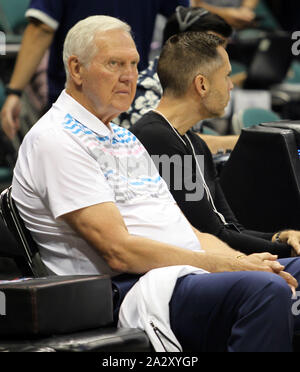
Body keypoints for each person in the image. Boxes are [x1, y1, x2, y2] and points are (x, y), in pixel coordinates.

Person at [11, 15, 300, 352]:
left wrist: (247, 261)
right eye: (115, 63)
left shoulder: (124, 138)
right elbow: (118, 251)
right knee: (266, 290)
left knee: (276, 276)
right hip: (138, 288)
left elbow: (193, 235)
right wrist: (233, 265)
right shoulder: (55, 138)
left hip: (186, 272)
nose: (129, 76)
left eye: (134, 64)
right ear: (76, 69)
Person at [132, 28, 300, 260]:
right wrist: (287, 252)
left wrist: (281, 237)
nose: (231, 85)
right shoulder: (156, 139)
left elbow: (231, 228)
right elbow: (209, 235)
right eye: (226, 76)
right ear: (202, 85)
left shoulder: (194, 143)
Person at [0, 0, 189, 141]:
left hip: (90, 103)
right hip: (127, 102)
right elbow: (185, 22)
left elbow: (42, 29)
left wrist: (15, 92)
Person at [115, 6, 240, 153]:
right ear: (182, 44)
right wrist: (244, 141)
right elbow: (162, 144)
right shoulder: (144, 90)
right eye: (208, 45)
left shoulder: (195, 95)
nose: (221, 55)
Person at [190, 0, 259, 29]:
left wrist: (246, 9)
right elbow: (192, 6)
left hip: (234, 28)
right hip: (202, 26)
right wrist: (222, 14)